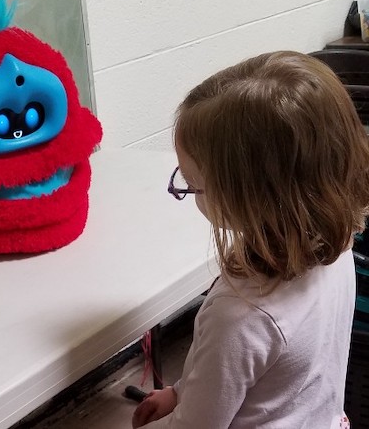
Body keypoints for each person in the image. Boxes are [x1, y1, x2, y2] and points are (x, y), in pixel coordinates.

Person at [132, 51, 369, 429]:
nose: (189, 190)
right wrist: (180, 392)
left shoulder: (240, 316)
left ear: (243, 198)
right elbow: (271, 372)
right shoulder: (335, 247)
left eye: (193, 184)